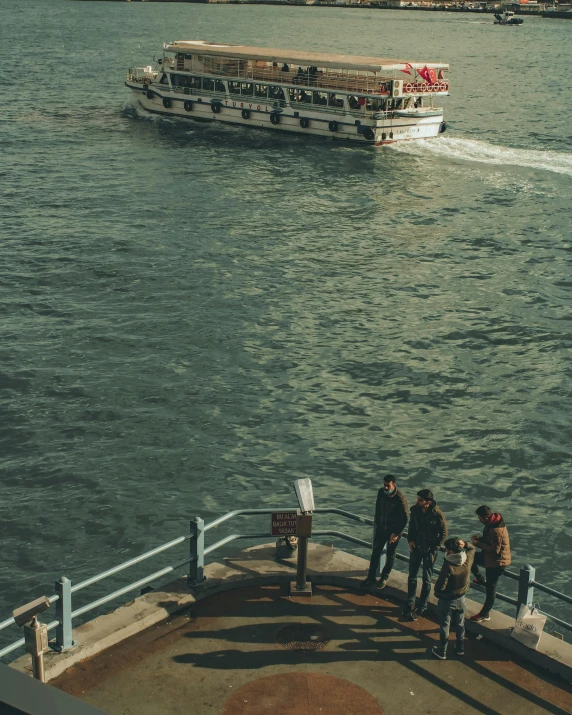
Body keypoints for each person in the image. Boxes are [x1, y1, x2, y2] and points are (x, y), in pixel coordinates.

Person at [404, 488, 447, 620]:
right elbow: (411, 527)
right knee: (412, 576)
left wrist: (435, 548)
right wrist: (410, 540)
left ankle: (422, 606)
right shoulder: (415, 510)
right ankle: (410, 603)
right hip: (416, 547)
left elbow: (444, 533)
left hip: (429, 550)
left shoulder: (437, 514)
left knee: (427, 579)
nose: (418, 501)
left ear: (428, 502)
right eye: (418, 499)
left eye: (420, 500)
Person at [361, 475, 408, 589]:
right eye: (384, 485)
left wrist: (396, 533)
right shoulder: (381, 493)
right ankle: (371, 577)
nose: (386, 488)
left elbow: (404, 518)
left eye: (388, 485)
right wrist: (377, 525)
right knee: (375, 552)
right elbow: (378, 509)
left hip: (393, 532)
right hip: (381, 529)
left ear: (394, 485)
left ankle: (384, 577)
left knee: (390, 554)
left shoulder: (400, 498)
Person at [432, 537, 475, 659]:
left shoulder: (448, 566)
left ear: (450, 551)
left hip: (447, 601)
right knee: (460, 624)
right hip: (461, 599)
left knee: (445, 626)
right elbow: (472, 549)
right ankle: (460, 648)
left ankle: (442, 651)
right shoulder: (467, 560)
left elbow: (440, 587)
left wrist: (438, 593)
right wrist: (465, 543)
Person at [469, 505, 511, 622]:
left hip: (497, 562)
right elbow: (490, 541)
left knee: (491, 590)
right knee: (470, 557)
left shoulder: (496, 530)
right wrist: (480, 539)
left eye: (480, 518)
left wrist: (477, 543)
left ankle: (485, 614)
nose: (479, 520)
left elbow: (495, 550)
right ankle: (480, 579)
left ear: (485, 517)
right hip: (490, 558)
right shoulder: (492, 523)